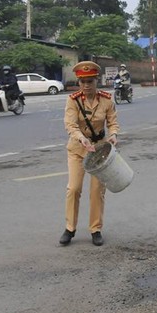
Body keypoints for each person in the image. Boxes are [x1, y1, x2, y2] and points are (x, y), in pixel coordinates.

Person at [60, 61, 120, 247]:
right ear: (79, 82)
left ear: (96, 81)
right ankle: (70, 228)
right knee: (74, 189)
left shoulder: (106, 99)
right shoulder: (73, 100)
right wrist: (81, 138)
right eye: (82, 81)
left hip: (99, 152)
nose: (86, 85)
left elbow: (112, 122)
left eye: (90, 81)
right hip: (78, 149)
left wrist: (114, 135)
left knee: (97, 191)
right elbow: (71, 125)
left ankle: (95, 229)